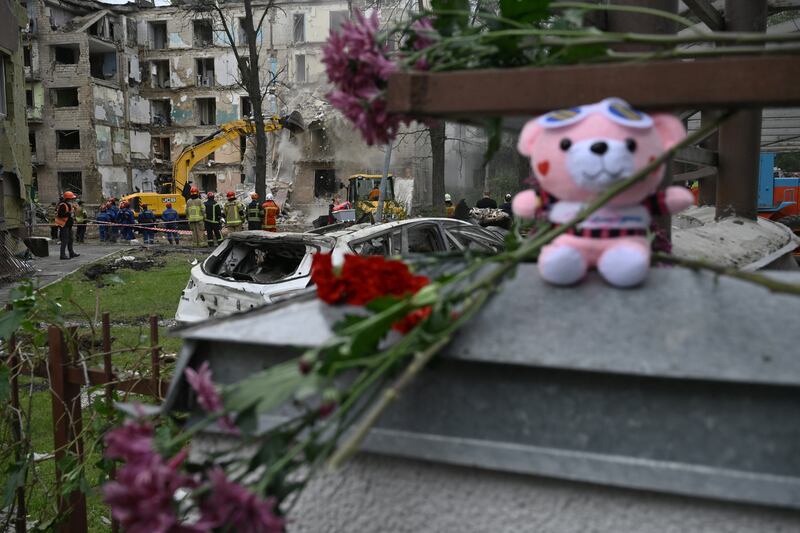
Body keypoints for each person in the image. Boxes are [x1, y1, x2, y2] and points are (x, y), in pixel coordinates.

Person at [55, 191, 79, 260]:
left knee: (70, 239)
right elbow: (60, 215)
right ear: (68, 198)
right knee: (65, 240)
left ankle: (71, 253)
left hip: (68, 225)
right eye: (72, 198)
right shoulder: (63, 205)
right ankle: (62, 255)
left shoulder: (68, 204)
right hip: (64, 225)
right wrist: (70, 213)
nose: (73, 199)